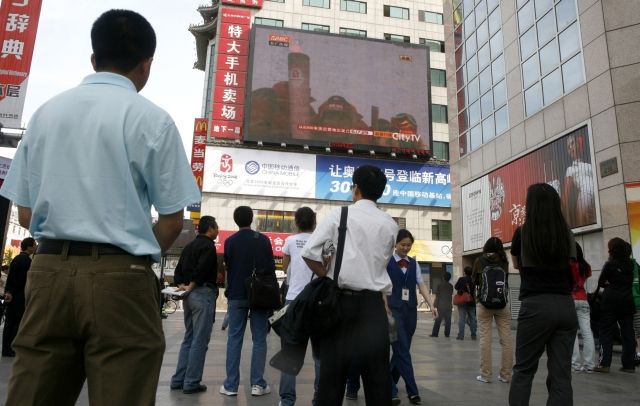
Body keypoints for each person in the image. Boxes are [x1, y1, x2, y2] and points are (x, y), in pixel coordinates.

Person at [0, 9, 201, 406]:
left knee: (34, 391)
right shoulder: (153, 120)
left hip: (49, 271)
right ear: (147, 65)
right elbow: (173, 220)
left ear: (94, 59)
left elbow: (24, 213)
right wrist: (132, 252)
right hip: (121, 277)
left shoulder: (46, 114)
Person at [301, 165, 399, 406]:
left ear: (355, 189)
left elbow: (309, 253)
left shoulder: (339, 215)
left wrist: (327, 275)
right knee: (378, 379)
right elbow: (380, 263)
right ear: (380, 192)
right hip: (373, 307)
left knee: (332, 379)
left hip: (340, 305)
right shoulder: (390, 224)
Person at [508, 183, 577, 406]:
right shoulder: (567, 233)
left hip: (535, 305)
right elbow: (570, 265)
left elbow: (518, 265)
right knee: (561, 375)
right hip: (565, 305)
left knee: (524, 370)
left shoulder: (522, 233)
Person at [220, 206, 275, 397]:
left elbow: (229, 267)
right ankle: (258, 384)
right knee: (260, 339)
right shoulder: (263, 240)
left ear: (236, 221)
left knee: (234, 339)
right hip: (259, 295)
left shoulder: (229, 242)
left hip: (236, 294)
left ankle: (230, 386)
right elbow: (269, 269)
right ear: (252, 219)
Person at [170, 216, 220, 394]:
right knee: (200, 339)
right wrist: (192, 284)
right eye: (217, 227)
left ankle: (178, 379)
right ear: (211, 228)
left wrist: (182, 286)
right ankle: (191, 382)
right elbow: (203, 269)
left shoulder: (189, 246)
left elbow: (178, 270)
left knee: (189, 337)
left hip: (188, 297)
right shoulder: (208, 246)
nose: (218, 230)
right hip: (202, 293)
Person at [279, 207, 321, 406]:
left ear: (296, 222)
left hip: (294, 301)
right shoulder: (320, 241)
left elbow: (284, 267)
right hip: (317, 302)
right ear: (314, 222)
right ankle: (319, 398)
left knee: (290, 353)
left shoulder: (289, 241)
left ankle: (287, 400)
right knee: (320, 355)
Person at [387, 229, 434, 405]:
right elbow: (381, 286)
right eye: (403, 245)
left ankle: (388, 385)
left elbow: (421, 285)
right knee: (402, 349)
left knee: (401, 351)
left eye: (409, 245)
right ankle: (412, 390)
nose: (406, 248)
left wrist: (430, 304)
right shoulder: (386, 262)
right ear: (395, 244)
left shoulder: (414, 263)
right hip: (391, 313)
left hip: (410, 312)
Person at [471, 236, 512, 384]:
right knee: (506, 340)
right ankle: (506, 375)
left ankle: (486, 375)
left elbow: (474, 280)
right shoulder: (504, 260)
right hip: (502, 304)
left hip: (484, 304)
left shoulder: (479, 261)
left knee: (485, 340)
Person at [593, 238, 636, 373]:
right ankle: (629, 365)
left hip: (610, 302)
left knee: (605, 331)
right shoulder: (630, 265)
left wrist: (609, 285)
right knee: (628, 333)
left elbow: (601, 282)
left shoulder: (609, 264)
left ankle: (604, 364)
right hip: (627, 302)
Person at [1, 238, 36, 357]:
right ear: (29, 247)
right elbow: (21, 281)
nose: (36, 247)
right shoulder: (27, 262)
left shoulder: (16, 259)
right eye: (34, 245)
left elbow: (11, 278)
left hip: (12, 295)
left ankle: (6, 348)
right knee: (16, 322)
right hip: (20, 296)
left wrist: (8, 292)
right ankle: (10, 348)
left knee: (9, 323)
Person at [570, 243, 596, 373]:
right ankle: (590, 364)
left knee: (572, 332)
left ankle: (575, 364)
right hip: (583, 299)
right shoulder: (586, 267)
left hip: (570, 300)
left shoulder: (568, 266)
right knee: (587, 332)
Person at [454, 266, 477, 340]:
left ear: (464, 272)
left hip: (462, 301)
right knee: (472, 318)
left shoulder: (461, 279)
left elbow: (456, 287)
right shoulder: (473, 280)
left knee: (462, 319)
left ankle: (461, 335)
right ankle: (473, 335)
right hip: (471, 301)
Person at [431, 272, 453, 338]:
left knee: (438, 320)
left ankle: (435, 334)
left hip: (441, 306)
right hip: (449, 306)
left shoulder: (440, 285)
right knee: (448, 321)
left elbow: (438, 296)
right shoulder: (451, 286)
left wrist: (434, 305)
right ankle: (447, 334)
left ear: (443, 278)